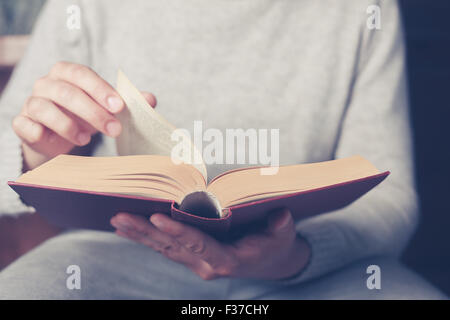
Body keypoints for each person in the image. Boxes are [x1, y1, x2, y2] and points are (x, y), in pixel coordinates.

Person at [0, 0, 445, 299]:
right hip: (106, 259)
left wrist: (297, 254)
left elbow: (393, 195)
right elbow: (11, 142)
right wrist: (38, 155)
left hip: (316, 268)